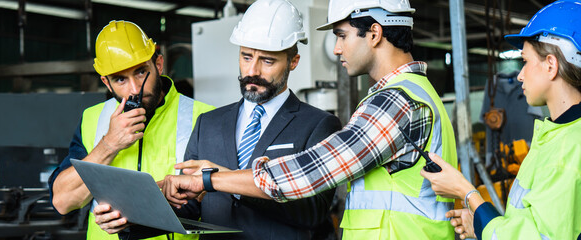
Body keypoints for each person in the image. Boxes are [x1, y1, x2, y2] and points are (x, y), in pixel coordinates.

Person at [158, 0, 459, 239]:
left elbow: (308, 173)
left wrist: (212, 179)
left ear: (375, 33)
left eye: (341, 36)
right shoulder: (416, 92)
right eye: (247, 56)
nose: (337, 48)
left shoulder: (396, 102)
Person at [93, 1, 341, 239]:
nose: (252, 71)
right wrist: (128, 220)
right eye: (246, 57)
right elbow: (190, 210)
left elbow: (313, 212)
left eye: (267, 61)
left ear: (293, 62)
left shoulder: (318, 125)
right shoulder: (209, 123)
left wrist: (223, 181)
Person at [420, 1, 581, 239]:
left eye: (525, 61)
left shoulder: (568, 148)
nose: (519, 74)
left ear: (551, 65)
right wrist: (484, 225)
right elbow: (529, 225)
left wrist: (465, 191)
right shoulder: (556, 135)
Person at [48, 20, 215, 240]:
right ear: (106, 83)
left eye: (140, 72)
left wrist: (133, 217)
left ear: (159, 64)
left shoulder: (205, 117)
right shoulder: (92, 118)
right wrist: (109, 145)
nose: (135, 89)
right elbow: (63, 202)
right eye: (120, 79)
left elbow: (216, 203)